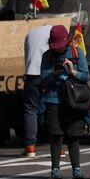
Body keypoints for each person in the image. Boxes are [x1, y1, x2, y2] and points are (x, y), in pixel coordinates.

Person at [39, 25, 89, 179]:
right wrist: (55, 73)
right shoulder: (47, 56)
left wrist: (72, 71)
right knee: (56, 135)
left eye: (60, 46)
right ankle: (55, 169)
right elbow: (43, 80)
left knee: (74, 136)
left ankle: (77, 169)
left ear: (66, 40)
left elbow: (85, 76)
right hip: (53, 100)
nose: (58, 50)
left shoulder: (76, 52)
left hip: (73, 100)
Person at [22, 23, 53, 157]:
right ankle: (57, 146)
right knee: (52, 107)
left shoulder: (30, 34)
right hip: (46, 74)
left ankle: (30, 146)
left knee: (30, 110)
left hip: (31, 74)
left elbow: (26, 56)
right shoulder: (53, 32)